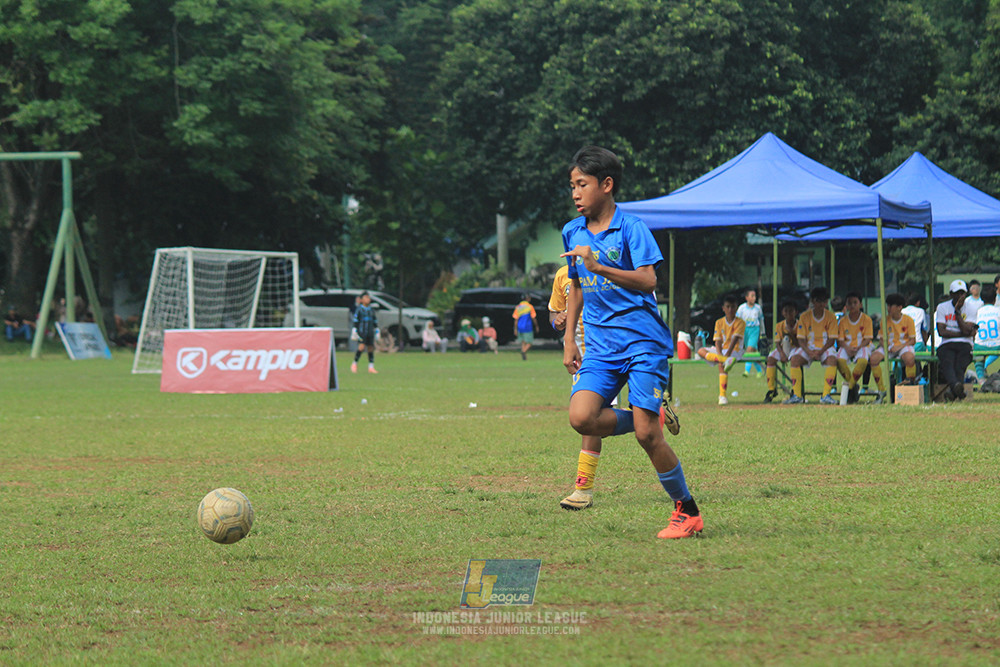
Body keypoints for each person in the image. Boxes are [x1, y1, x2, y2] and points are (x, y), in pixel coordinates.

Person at [560, 145, 696, 539]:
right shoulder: (573, 231)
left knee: (646, 435)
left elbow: (649, 280)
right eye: (572, 186)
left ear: (606, 185)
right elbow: (577, 285)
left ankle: (687, 511)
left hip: (642, 343)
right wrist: (569, 337)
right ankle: (647, 413)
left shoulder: (632, 228)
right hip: (601, 347)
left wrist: (599, 265)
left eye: (581, 185)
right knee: (581, 417)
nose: (575, 193)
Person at [785, 286, 839, 404]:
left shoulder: (831, 317)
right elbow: (801, 339)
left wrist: (820, 351)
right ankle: (797, 396)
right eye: (818, 300)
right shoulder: (805, 317)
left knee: (832, 360)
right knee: (794, 360)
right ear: (813, 301)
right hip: (808, 348)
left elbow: (832, 339)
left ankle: (826, 395)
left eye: (824, 301)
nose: (821, 304)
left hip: (825, 347)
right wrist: (809, 352)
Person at [696, 294, 745, 405]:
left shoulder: (740, 322)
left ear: (736, 308)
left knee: (720, 364)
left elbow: (735, 340)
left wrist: (726, 355)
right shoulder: (719, 322)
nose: (730, 309)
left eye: (732, 307)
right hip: (722, 352)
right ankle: (723, 360)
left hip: (735, 351)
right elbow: (717, 341)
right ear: (723, 308)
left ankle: (722, 396)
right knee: (700, 351)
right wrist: (720, 356)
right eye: (727, 307)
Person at [935, 279, 978, 400]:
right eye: (957, 293)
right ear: (951, 294)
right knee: (947, 362)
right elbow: (941, 332)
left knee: (960, 364)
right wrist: (963, 334)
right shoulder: (942, 307)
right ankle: (956, 387)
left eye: (962, 293)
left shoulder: (971, 308)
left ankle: (954, 390)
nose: (960, 296)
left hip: (965, 344)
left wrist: (957, 312)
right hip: (947, 344)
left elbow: (967, 331)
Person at [870, 293, 918, 398]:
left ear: (899, 307)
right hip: (889, 347)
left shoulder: (908, 320)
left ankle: (911, 385)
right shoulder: (885, 320)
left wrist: (898, 347)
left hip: (903, 346)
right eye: (887, 305)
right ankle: (881, 390)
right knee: (873, 359)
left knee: (910, 358)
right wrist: (886, 347)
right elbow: (881, 339)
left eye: (890, 306)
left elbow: (912, 340)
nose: (888, 308)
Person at [835, 292, 875, 404]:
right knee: (839, 360)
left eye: (855, 303)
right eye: (849, 303)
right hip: (847, 346)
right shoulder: (842, 321)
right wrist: (848, 348)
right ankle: (853, 386)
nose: (852, 306)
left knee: (863, 361)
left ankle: (850, 388)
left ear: (860, 305)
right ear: (845, 306)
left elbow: (867, 338)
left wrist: (858, 347)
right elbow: (840, 340)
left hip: (862, 345)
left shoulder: (866, 319)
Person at [736, 288, 765, 378]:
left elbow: (761, 320)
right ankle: (761, 370)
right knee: (753, 352)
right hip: (745, 331)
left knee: (749, 349)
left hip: (754, 330)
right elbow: (737, 321)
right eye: (752, 296)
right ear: (746, 297)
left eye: (754, 296)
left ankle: (746, 371)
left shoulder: (758, 308)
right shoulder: (741, 308)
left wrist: (763, 332)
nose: (754, 298)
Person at [974, 287, 1000, 382]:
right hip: (997, 345)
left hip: (980, 345)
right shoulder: (998, 311)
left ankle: (981, 378)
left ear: (981, 299)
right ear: (995, 299)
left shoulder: (978, 312)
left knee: (978, 359)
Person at [350, 291, 379, 374]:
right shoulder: (359, 309)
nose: (368, 299)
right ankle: (354, 364)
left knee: (370, 348)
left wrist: (377, 329)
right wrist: (355, 329)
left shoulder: (371, 310)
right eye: (365, 298)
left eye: (368, 298)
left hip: (370, 331)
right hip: (362, 331)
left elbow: (374, 320)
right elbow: (356, 320)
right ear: (361, 300)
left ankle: (371, 367)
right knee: (361, 347)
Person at [512, 295, 537, 360]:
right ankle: (523, 351)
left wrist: (515, 329)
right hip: (527, 327)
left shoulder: (518, 307)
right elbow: (533, 317)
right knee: (529, 342)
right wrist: (536, 326)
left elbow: (516, 319)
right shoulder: (530, 307)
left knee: (523, 342)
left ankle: (524, 356)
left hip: (520, 327)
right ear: (527, 299)